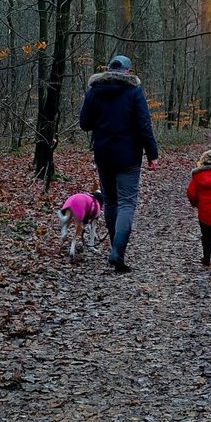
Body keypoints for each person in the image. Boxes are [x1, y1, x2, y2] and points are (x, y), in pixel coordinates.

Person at [78, 55, 158, 273]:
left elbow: (84, 123)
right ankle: (117, 253)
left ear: (109, 70)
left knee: (111, 202)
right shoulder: (134, 91)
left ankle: (115, 249)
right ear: (128, 71)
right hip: (129, 156)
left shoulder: (94, 90)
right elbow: (144, 124)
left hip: (103, 154)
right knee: (126, 203)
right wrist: (152, 154)